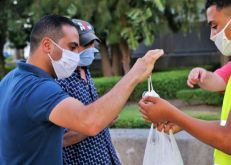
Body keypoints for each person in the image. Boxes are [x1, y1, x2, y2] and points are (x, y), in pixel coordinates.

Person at [0, 14, 163, 164]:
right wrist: (135, 73)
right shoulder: (40, 88)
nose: (76, 55)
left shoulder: (9, 80)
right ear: (47, 45)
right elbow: (90, 121)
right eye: (72, 47)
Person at [139, 0, 231, 164]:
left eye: (214, 26)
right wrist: (183, 122)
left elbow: (229, 140)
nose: (212, 36)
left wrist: (172, 114)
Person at [56, 19, 120, 164]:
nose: (92, 49)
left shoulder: (85, 70)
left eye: (92, 44)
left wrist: (106, 111)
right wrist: (100, 121)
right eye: (86, 44)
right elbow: (61, 138)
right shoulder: (59, 80)